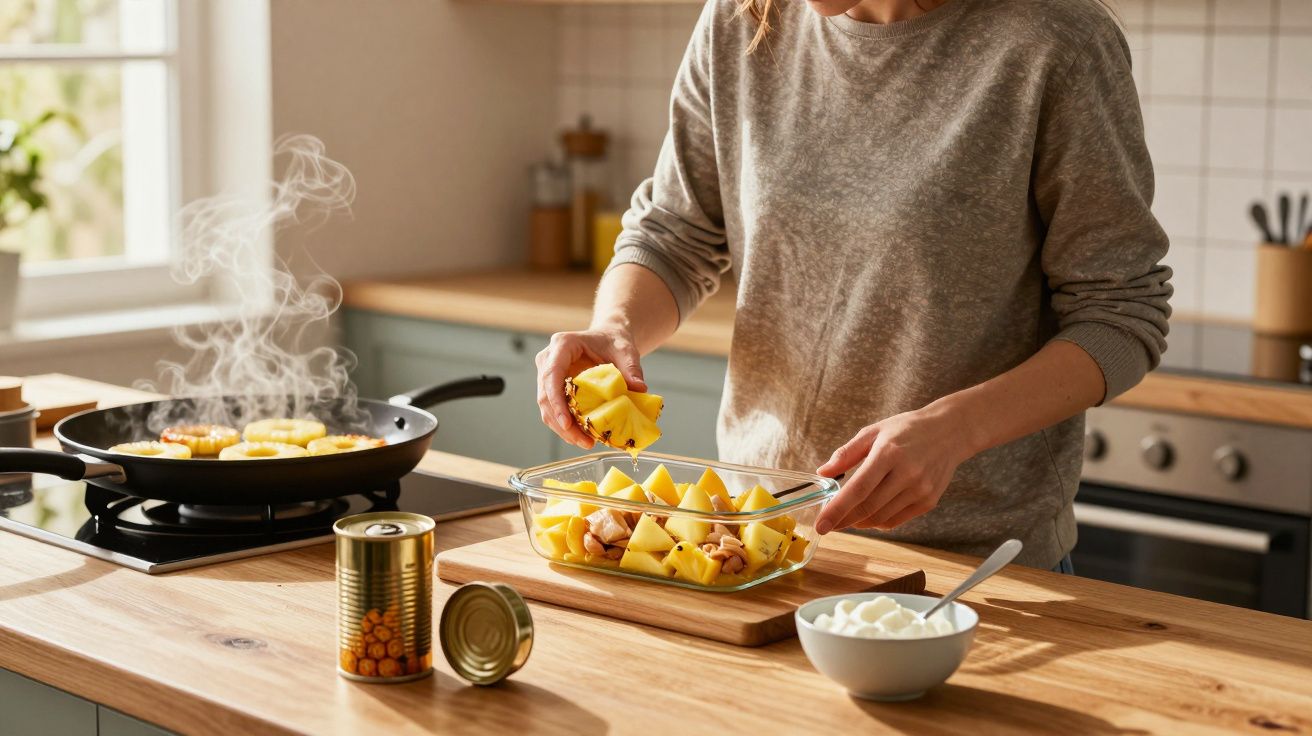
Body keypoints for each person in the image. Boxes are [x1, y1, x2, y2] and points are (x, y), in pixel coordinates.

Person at [535, 0, 1171, 572]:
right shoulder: (746, 19)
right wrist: (614, 325)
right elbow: (676, 232)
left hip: (973, 570)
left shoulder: (1055, 39)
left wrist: (954, 429)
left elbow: (1121, 313)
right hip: (754, 543)